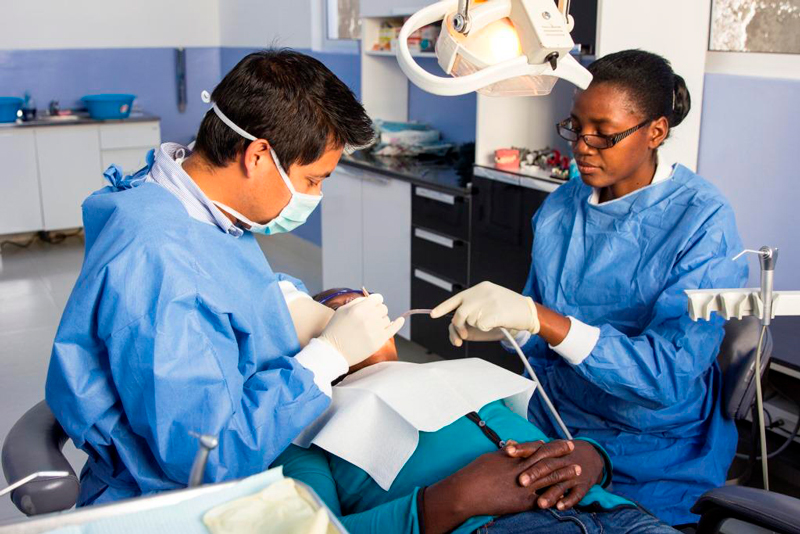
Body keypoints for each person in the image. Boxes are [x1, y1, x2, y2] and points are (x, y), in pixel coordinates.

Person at [45, 50, 403, 506]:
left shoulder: (180, 200)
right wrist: (328, 357)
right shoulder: (161, 264)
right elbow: (207, 456)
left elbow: (216, 280)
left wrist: (290, 299)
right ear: (258, 154)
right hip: (167, 497)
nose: (316, 195)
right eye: (313, 180)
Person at [431, 50, 748, 525]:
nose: (583, 145)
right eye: (576, 126)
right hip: (554, 413)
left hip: (651, 442)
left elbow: (667, 376)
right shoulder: (563, 206)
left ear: (655, 132)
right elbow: (542, 323)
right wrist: (508, 330)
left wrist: (540, 319)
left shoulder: (703, 221)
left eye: (604, 132)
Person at [270, 287, 679, 534]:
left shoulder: (468, 379)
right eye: (338, 305)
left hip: (617, 515)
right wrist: (450, 500)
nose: (361, 304)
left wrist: (591, 457)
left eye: (363, 297)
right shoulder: (306, 432)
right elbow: (316, 531)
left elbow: (547, 451)